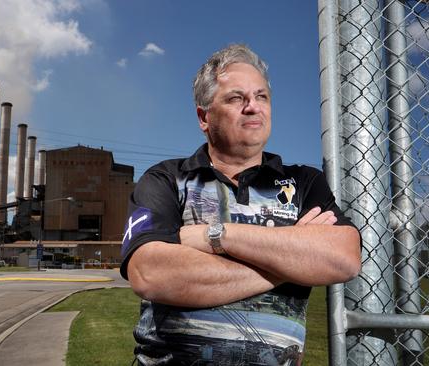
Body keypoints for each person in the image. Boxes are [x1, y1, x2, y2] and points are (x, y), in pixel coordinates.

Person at [120, 44, 361, 366]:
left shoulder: (303, 182)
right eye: (236, 98)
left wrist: (216, 236)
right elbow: (150, 274)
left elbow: (343, 258)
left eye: (261, 97)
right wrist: (292, 263)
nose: (253, 107)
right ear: (204, 117)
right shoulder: (167, 178)